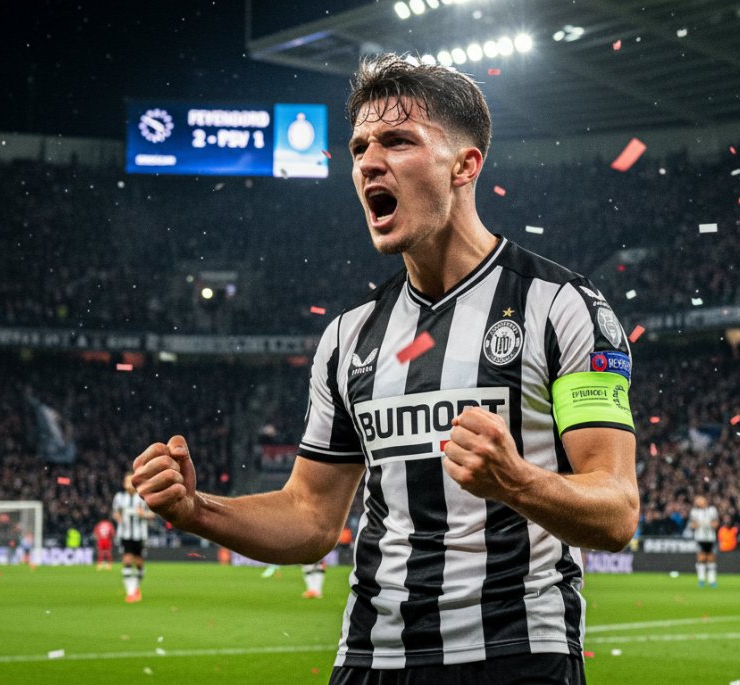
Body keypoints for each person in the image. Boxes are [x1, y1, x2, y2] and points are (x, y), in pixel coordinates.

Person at [132, 54, 638, 684]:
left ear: (465, 165)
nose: (369, 161)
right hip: (371, 658)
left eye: (398, 141)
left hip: (517, 655)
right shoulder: (348, 337)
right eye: (359, 147)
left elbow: (617, 510)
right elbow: (310, 517)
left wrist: (516, 482)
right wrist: (196, 511)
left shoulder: (562, 307)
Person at [113, 472, 153, 602]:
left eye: (131, 481)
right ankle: (130, 592)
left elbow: (152, 515)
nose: (128, 484)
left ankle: (135, 587)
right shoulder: (119, 497)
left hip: (140, 535)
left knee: (139, 563)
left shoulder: (143, 497)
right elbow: (115, 513)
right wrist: (118, 517)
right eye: (126, 481)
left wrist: (144, 514)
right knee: (127, 560)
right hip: (125, 534)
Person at [690, 495, 718, 588]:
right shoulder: (694, 512)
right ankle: (701, 580)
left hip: (710, 538)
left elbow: (716, 524)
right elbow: (692, 525)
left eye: (699, 500)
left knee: (711, 559)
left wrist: (707, 524)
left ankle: (712, 581)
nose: (697, 501)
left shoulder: (712, 510)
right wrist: (698, 524)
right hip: (700, 538)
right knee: (701, 558)